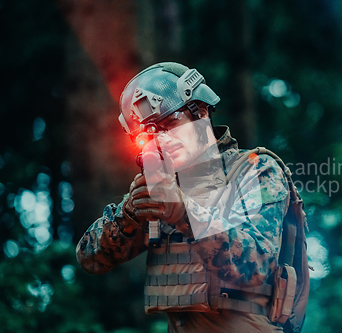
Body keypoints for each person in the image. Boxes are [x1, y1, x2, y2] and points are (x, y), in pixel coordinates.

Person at [76, 62, 290, 332]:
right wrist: (129, 215)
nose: (163, 139)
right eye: (149, 134)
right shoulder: (162, 188)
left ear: (200, 112)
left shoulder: (254, 169)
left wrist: (182, 212)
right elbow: (90, 258)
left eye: (170, 123)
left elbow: (257, 265)